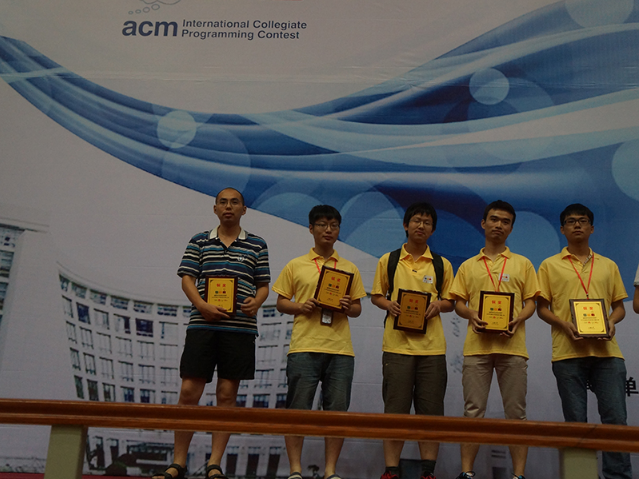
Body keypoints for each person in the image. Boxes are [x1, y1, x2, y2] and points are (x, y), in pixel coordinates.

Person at [153, 187, 270, 479]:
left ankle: (214, 464)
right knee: (188, 392)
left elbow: (263, 285)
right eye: (223, 202)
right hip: (202, 326)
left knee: (227, 395)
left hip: (239, 329)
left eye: (235, 202)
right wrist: (202, 305)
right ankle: (177, 463)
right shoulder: (199, 240)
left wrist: (257, 302)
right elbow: (187, 279)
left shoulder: (257, 244)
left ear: (244, 209)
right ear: (215, 208)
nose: (228, 207)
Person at [537, 204, 632, 479]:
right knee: (576, 423)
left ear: (592, 228)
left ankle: (618, 476)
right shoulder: (549, 265)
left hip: (607, 352)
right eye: (571, 221)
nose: (577, 225)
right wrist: (564, 324)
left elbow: (619, 307)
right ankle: (582, 476)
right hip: (568, 353)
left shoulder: (608, 265)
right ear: (562, 229)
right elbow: (542, 308)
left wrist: (611, 322)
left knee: (615, 420)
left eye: (582, 221)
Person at [272, 205, 367, 479]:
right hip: (304, 346)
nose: (328, 230)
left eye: (334, 225)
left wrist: (348, 306)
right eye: (323, 225)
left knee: (337, 414)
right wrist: (301, 306)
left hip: (340, 349)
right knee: (297, 411)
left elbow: (358, 309)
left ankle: (330, 471)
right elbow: (281, 302)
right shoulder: (296, 265)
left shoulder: (349, 268)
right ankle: (295, 470)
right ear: (311, 228)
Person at [450, 200, 539, 479]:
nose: (499, 225)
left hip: (513, 347)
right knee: (473, 411)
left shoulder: (523, 264)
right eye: (494, 219)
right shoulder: (468, 266)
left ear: (511, 228)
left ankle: (519, 475)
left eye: (505, 221)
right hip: (477, 348)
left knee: (516, 413)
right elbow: (458, 303)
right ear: (483, 223)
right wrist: (471, 315)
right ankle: (467, 472)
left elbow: (531, 302)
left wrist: (518, 319)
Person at [371, 202, 455, 479]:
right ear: (406, 225)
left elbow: (451, 301)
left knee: (431, 413)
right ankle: (391, 470)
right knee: (395, 412)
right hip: (396, 347)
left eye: (427, 222)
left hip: (432, 349)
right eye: (416, 220)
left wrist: (439, 306)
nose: (421, 226)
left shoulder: (442, 264)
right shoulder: (389, 260)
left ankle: (428, 472)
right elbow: (376, 296)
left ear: (433, 230)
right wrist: (389, 305)